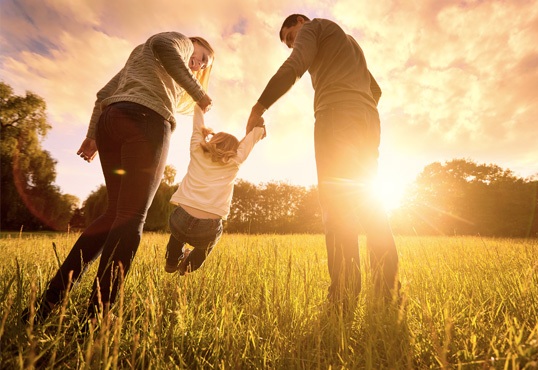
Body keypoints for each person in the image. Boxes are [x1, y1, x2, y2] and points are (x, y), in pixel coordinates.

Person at [25, 32, 215, 324]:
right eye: (201, 57)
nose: (199, 64)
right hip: (147, 122)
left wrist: (92, 136)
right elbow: (165, 45)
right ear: (193, 43)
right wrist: (199, 92)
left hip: (111, 122)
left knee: (114, 213)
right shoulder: (178, 41)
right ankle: (98, 315)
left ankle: (47, 305)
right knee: (131, 217)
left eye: (204, 65)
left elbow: (103, 95)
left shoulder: (143, 60)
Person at [246, 15, 399, 306]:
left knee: (337, 205)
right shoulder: (349, 42)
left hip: (336, 117)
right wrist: (357, 106)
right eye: (289, 42)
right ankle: (388, 293)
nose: (293, 44)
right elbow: (375, 89)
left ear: (302, 22)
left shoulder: (314, 27)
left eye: (292, 36)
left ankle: (343, 297)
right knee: (371, 205)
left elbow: (295, 66)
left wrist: (259, 106)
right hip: (368, 119)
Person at [164, 105, 265, 275]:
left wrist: (199, 106)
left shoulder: (197, 150)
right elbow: (252, 139)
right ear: (234, 150)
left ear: (213, 141)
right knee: (205, 247)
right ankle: (187, 267)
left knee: (177, 235)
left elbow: (197, 126)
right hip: (208, 227)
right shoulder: (235, 161)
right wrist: (259, 125)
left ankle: (172, 262)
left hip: (180, 219)